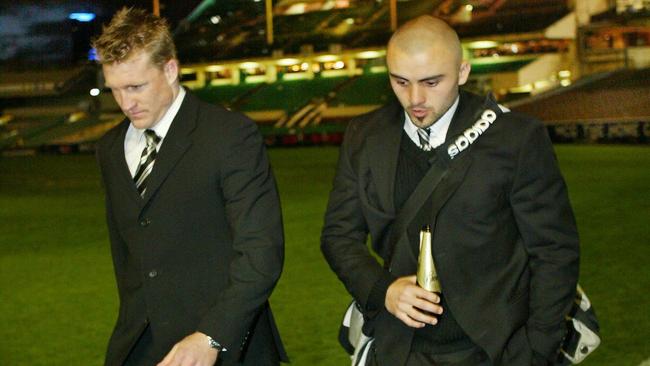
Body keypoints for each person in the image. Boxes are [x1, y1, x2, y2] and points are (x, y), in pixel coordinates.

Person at [321, 15, 579, 366]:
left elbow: (554, 251)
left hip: (496, 350)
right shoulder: (363, 136)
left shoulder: (515, 137)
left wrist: (537, 350)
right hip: (399, 348)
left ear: (462, 72)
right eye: (400, 81)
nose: (415, 99)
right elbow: (338, 236)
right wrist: (385, 289)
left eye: (431, 82)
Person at [93, 8, 287, 366]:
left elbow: (262, 253)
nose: (126, 103)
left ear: (170, 69)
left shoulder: (230, 136)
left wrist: (211, 336)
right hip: (139, 348)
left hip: (226, 347)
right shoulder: (108, 149)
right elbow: (128, 259)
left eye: (136, 87)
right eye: (115, 90)